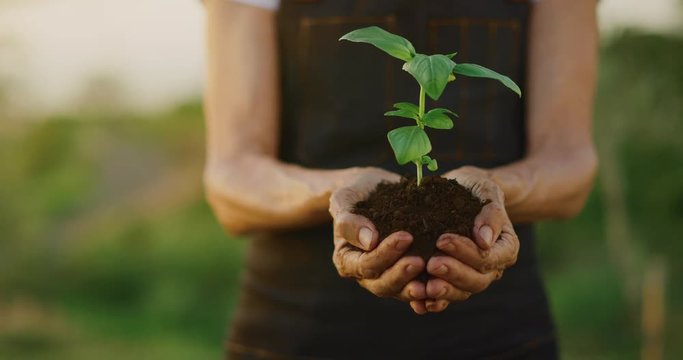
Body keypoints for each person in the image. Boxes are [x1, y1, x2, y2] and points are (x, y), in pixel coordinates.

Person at [203, 0, 598, 358]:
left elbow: (570, 166)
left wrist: (490, 191)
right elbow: (231, 179)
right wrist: (341, 194)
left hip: (496, 332)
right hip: (295, 329)